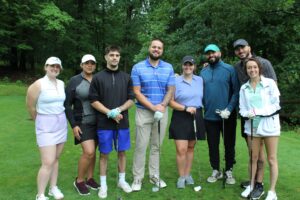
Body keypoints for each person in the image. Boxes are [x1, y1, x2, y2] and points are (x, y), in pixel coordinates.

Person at [233, 39, 277, 199]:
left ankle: (259, 184)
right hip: (249, 120)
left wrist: (262, 111)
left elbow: (274, 91)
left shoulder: (264, 63)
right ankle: (253, 182)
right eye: (237, 49)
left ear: (249, 47)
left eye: (242, 47)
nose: (240, 51)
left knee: (265, 157)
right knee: (254, 155)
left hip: (266, 120)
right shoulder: (237, 68)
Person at [89, 46, 134, 199]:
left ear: (119, 58)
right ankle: (104, 184)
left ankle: (121, 180)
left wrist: (119, 110)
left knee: (122, 152)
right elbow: (93, 100)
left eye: (117, 55)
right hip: (104, 123)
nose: (115, 57)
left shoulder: (126, 77)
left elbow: (131, 99)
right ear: (106, 57)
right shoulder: (98, 78)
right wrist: (109, 112)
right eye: (111, 55)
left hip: (122, 122)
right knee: (104, 154)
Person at [131, 38, 175, 191]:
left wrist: (162, 105)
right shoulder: (137, 67)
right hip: (144, 112)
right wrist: (153, 107)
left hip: (162, 111)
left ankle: (154, 175)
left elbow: (170, 90)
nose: (156, 49)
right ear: (149, 48)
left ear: (162, 50)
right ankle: (137, 178)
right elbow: (137, 92)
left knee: (156, 146)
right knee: (141, 146)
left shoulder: (168, 68)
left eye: (159, 48)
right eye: (154, 47)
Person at [26, 57, 67, 200]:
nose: (54, 68)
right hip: (45, 124)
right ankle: (40, 194)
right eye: (52, 66)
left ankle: (53, 188)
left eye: (57, 66)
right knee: (48, 161)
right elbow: (30, 106)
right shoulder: (38, 84)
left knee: (56, 158)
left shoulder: (61, 83)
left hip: (61, 123)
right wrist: (39, 121)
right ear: (45, 67)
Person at [200, 44, 239, 185]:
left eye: (213, 52)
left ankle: (229, 170)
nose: (211, 55)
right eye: (208, 53)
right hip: (210, 116)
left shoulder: (229, 69)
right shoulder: (203, 72)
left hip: (227, 116)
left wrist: (229, 109)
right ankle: (215, 169)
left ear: (220, 53)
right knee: (212, 145)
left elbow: (236, 91)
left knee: (229, 144)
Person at [64, 54, 100, 195]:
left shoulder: (98, 79)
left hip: (99, 122)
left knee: (93, 152)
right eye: (86, 63)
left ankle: (90, 178)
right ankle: (79, 180)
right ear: (81, 65)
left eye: (92, 63)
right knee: (89, 151)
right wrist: (73, 125)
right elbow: (67, 105)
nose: (89, 65)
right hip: (83, 122)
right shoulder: (74, 81)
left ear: (95, 65)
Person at [169, 56, 205, 189]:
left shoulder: (200, 80)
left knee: (190, 147)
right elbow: (170, 102)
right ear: (182, 66)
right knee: (181, 149)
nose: (188, 67)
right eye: (186, 65)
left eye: (190, 65)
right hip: (180, 115)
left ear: (194, 67)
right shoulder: (175, 81)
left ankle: (188, 174)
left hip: (196, 115)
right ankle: (181, 176)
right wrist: (185, 108)